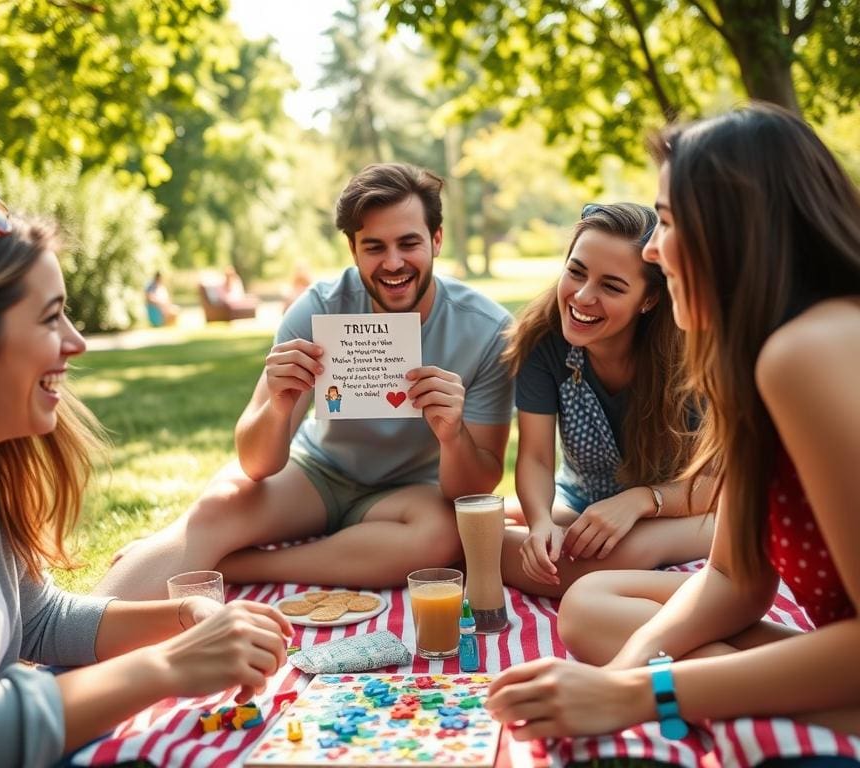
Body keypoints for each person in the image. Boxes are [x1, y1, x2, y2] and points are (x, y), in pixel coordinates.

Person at [485, 104, 860, 746]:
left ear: (732, 229)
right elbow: (733, 580)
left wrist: (635, 692)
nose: (655, 251)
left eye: (665, 222)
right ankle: (761, 691)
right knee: (588, 608)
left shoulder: (809, 351)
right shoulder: (752, 360)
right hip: (832, 654)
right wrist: (624, 676)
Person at [0, 188, 292, 766]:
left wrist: (181, 619)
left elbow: (37, 619)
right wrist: (169, 666)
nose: (76, 344)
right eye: (50, 318)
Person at [95, 163, 514, 599]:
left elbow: (474, 489)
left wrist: (452, 434)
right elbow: (255, 464)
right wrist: (279, 404)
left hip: (412, 492)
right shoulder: (317, 309)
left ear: (437, 240)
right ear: (353, 249)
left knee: (442, 538)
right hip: (318, 472)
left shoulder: (488, 331)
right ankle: (75, 628)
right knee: (220, 503)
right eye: (374, 247)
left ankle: (241, 565)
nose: (393, 263)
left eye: (409, 243)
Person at [499, 203, 714, 598]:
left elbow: (717, 486)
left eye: (611, 286)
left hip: (688, 511)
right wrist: (541, 522)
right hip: (581, 502)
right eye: (576, 272)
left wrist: (640, 501)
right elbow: (536, 459)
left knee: (625, 552)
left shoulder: (690, 360)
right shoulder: (543, 342)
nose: (582, 296)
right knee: (472, 526)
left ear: (648, 300)